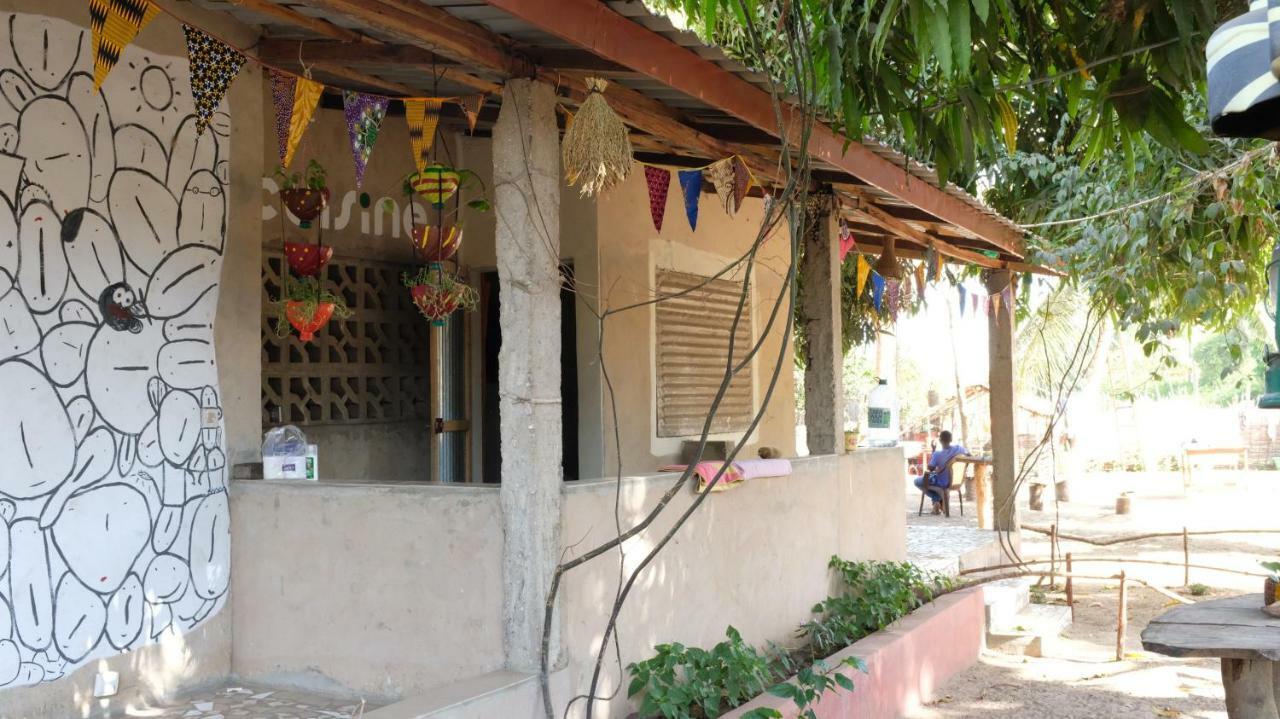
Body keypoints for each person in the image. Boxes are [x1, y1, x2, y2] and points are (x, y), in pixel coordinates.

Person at [914, 431, 968, 515]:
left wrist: (934, 451)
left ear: (940, 440)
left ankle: (936, 498)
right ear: (951, 439)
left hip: (941, 483)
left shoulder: (938, 454)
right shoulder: (959, 449)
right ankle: (937, 502)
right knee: (932, 479)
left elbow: (930, 468)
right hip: (955, 482)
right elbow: (969, 455)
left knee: (917, 481)